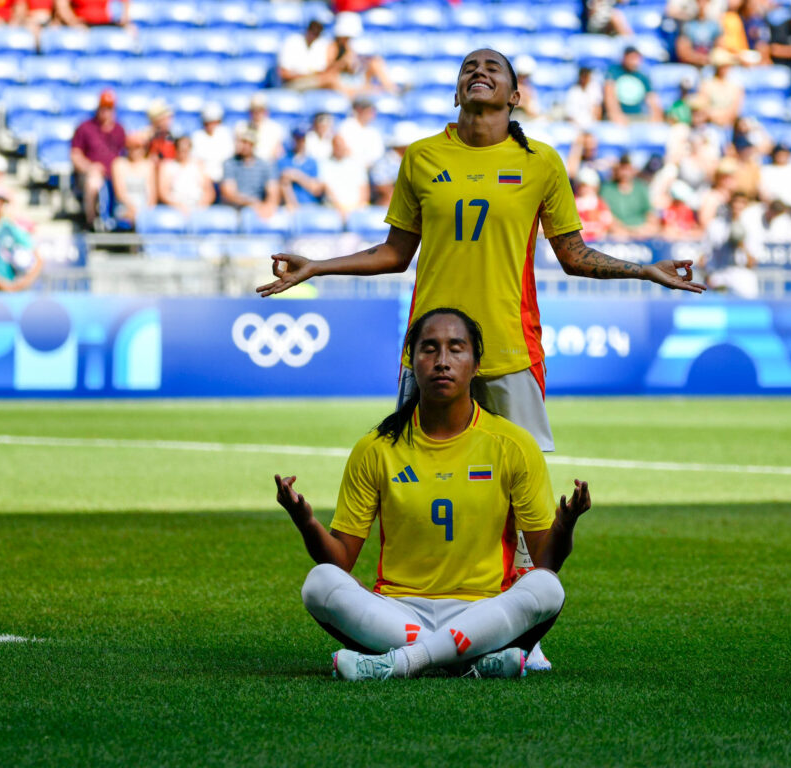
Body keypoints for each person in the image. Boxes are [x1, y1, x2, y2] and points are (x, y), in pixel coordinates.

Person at [257, 50, 705, 668]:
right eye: (470, 66)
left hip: (512, 350)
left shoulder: (540, 161)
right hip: (431, 352)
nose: (480, 71)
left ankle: (520, 639)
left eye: (494, 67)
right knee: (408, 479)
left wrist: (644, 270)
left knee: (524, 510)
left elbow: (572, 254)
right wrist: (319, 267)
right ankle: (451, 629)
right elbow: (395, 253)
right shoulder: (421, 156)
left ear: (515, 95)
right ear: (456, 88)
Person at [276, 308, 591, 681]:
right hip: (398, 614)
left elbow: (545, 561)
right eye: (429, 349)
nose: (442, 361)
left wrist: (566, 525)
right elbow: (340, 561)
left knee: (547, 588)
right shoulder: (376, 448)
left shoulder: (513, 445)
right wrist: (306, 522)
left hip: (482, 611)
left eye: (456, 349)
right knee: (320, 583)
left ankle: (404, 662)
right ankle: (465, 661)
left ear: (476, 364)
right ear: (411, 361)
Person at [70, 89, 126, 230]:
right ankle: (93, 221)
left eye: (109, 108)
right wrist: (90, 167)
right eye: (103, 107)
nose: (106, 111)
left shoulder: (119, 130)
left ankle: (122, 221)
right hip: (91, 175)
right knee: (94, 181)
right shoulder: (85, 128)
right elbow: (75, 155)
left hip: (115, 176)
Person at [221, 127, 280, 219]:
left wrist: (269, 206)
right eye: (241, 142)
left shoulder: (265, 165)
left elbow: (273, 190)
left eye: (246, 142)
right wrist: (252, 202)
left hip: (257, 209)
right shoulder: (229, 163)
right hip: (236, 209)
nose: (242, 145)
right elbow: (229, 192)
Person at [603, 46, 662, 125]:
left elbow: (652, 98)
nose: (634, 60)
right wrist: (616, 114)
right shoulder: (614, 72)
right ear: (625, 57)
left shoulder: (642, 76)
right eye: (631, 57)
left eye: (636, 57)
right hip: (620, 116)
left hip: (638, 117)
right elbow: (609, 95)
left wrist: (656, 116)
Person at [158, 135, 215, 215]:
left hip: (198, 207)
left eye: (186, 150)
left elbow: (209, 192)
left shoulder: (199, 165)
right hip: (175, 208)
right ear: (176, 149)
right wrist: (178, 206)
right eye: (181, 150)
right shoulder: (167, 166)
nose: (183, 153)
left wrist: (201, 206)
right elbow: (164, 192)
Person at [111, 132, 156, 229]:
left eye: (141, 147)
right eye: (134, 146)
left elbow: (152, 195)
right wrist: (134, 209)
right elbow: (120, 194)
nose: (138, 150)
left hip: (144, 209)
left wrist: (146, 211)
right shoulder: (119, 164)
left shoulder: (148, 165)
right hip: (124, 207)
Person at [277, 19, 332, 91]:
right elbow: (284, 74)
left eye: (317, 34)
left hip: (312, 82)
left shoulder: (320, 45)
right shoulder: (291, 42)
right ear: (308, 30)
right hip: (292, 84)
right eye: (313, 32)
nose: (314, 36)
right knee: (330, 80)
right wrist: (306, 76)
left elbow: (322, 70)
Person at [190, 103, 234, 190]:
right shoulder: (197, 136)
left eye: (214, 121)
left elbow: (229, 160)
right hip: (204, 180)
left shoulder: (226, 134)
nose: (211, 125)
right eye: (208, 122)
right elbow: (196, 162)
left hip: (223, 179)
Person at [280, 128, 324, 211]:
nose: (300, 142)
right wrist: (292, 204)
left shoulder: (312, 162)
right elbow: (283, 184)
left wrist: (296, 176)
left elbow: (316, 189)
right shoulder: (283, 161)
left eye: (302, 139)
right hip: (290, 207)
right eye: (297, 139)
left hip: (311, 205)